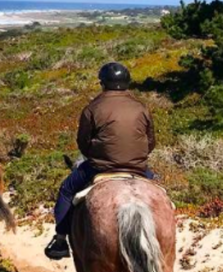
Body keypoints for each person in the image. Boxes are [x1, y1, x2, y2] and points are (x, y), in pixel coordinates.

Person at [45, 62, 156, 260]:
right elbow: (151, 142)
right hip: (138, 167)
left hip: (100, 167)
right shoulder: (141, 108)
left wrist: (96, 155)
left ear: (103, 83)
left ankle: (60, 239)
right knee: (158, 192)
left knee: (67, 190)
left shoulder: (93, 108)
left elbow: (83, 143)